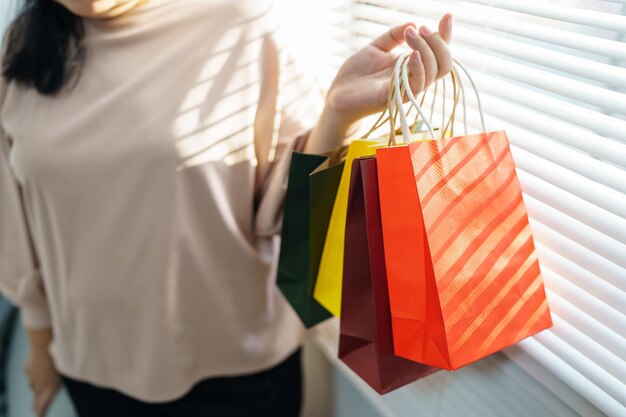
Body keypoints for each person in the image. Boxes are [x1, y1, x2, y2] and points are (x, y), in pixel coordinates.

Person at [0, 0, 453, 416]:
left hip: (239, 374)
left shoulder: (245, 25)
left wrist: (336, 115)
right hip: (92, 367)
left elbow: (284, 215)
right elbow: (16, 217)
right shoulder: (21, 46)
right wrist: (40, 340)